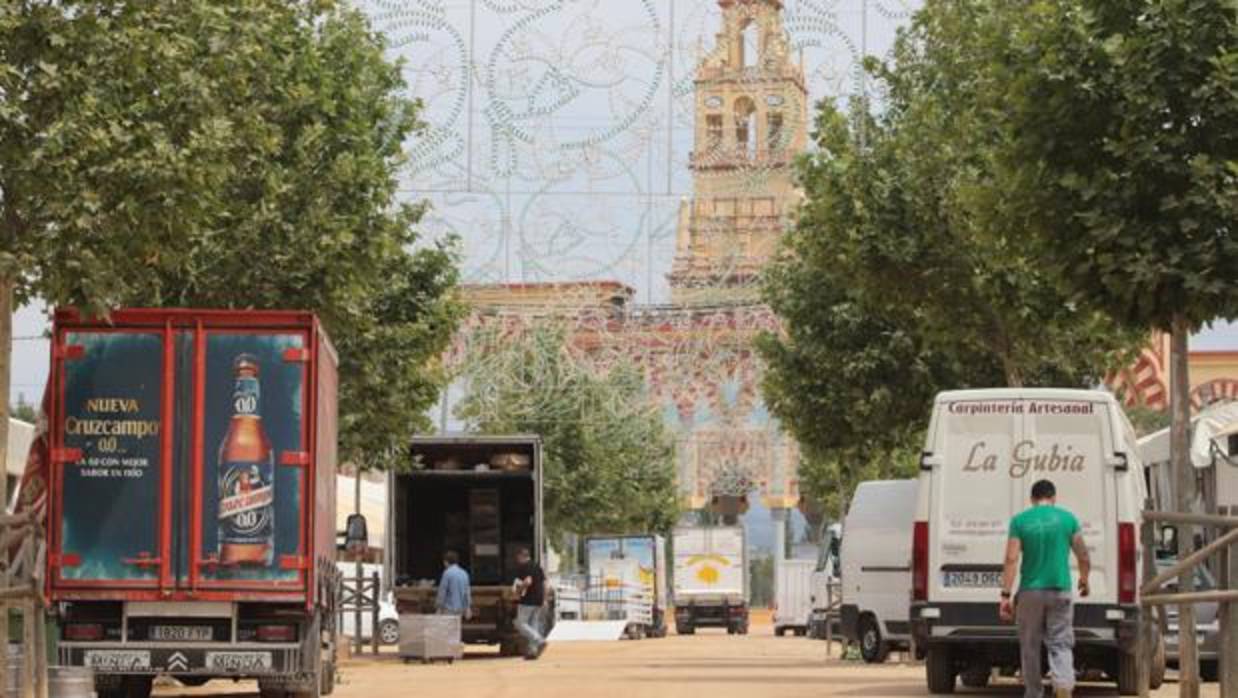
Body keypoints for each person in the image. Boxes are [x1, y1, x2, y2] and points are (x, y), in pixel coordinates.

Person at [1000, 479, 1091, 698]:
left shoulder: (1019, 521)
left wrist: (1005, 595)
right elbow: (1083, 555)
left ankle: (1034, 692)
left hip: (1030, 592)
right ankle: (1063, 685)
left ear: (1032, 499)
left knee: (1030, 645)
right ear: (1053, 498)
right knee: (1060, 643)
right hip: (1060, 589)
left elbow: (1011, 559)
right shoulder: (1068, 519)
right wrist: (1084, 579)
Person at [511, 546, 547, 660]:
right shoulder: (537, 567)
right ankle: (533, 651)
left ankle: (539, 640)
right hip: (538, 600)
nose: (517, 560)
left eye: (518, 557)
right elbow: (544, 583)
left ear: (521, 556)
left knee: (519, 623)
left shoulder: (523, 567)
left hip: (527, 600)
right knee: (533, 625)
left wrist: (518, 590)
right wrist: (544, 599)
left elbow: (527, 582)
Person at [436, 550, 471, 618]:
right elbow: (467, 592)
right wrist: (468, 607)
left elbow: (442, 591)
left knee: (447, 625)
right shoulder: (464, 573)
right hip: (460, 608)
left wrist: (439, 607)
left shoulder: (447, 573)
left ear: (446, 561)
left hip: (448, 608)